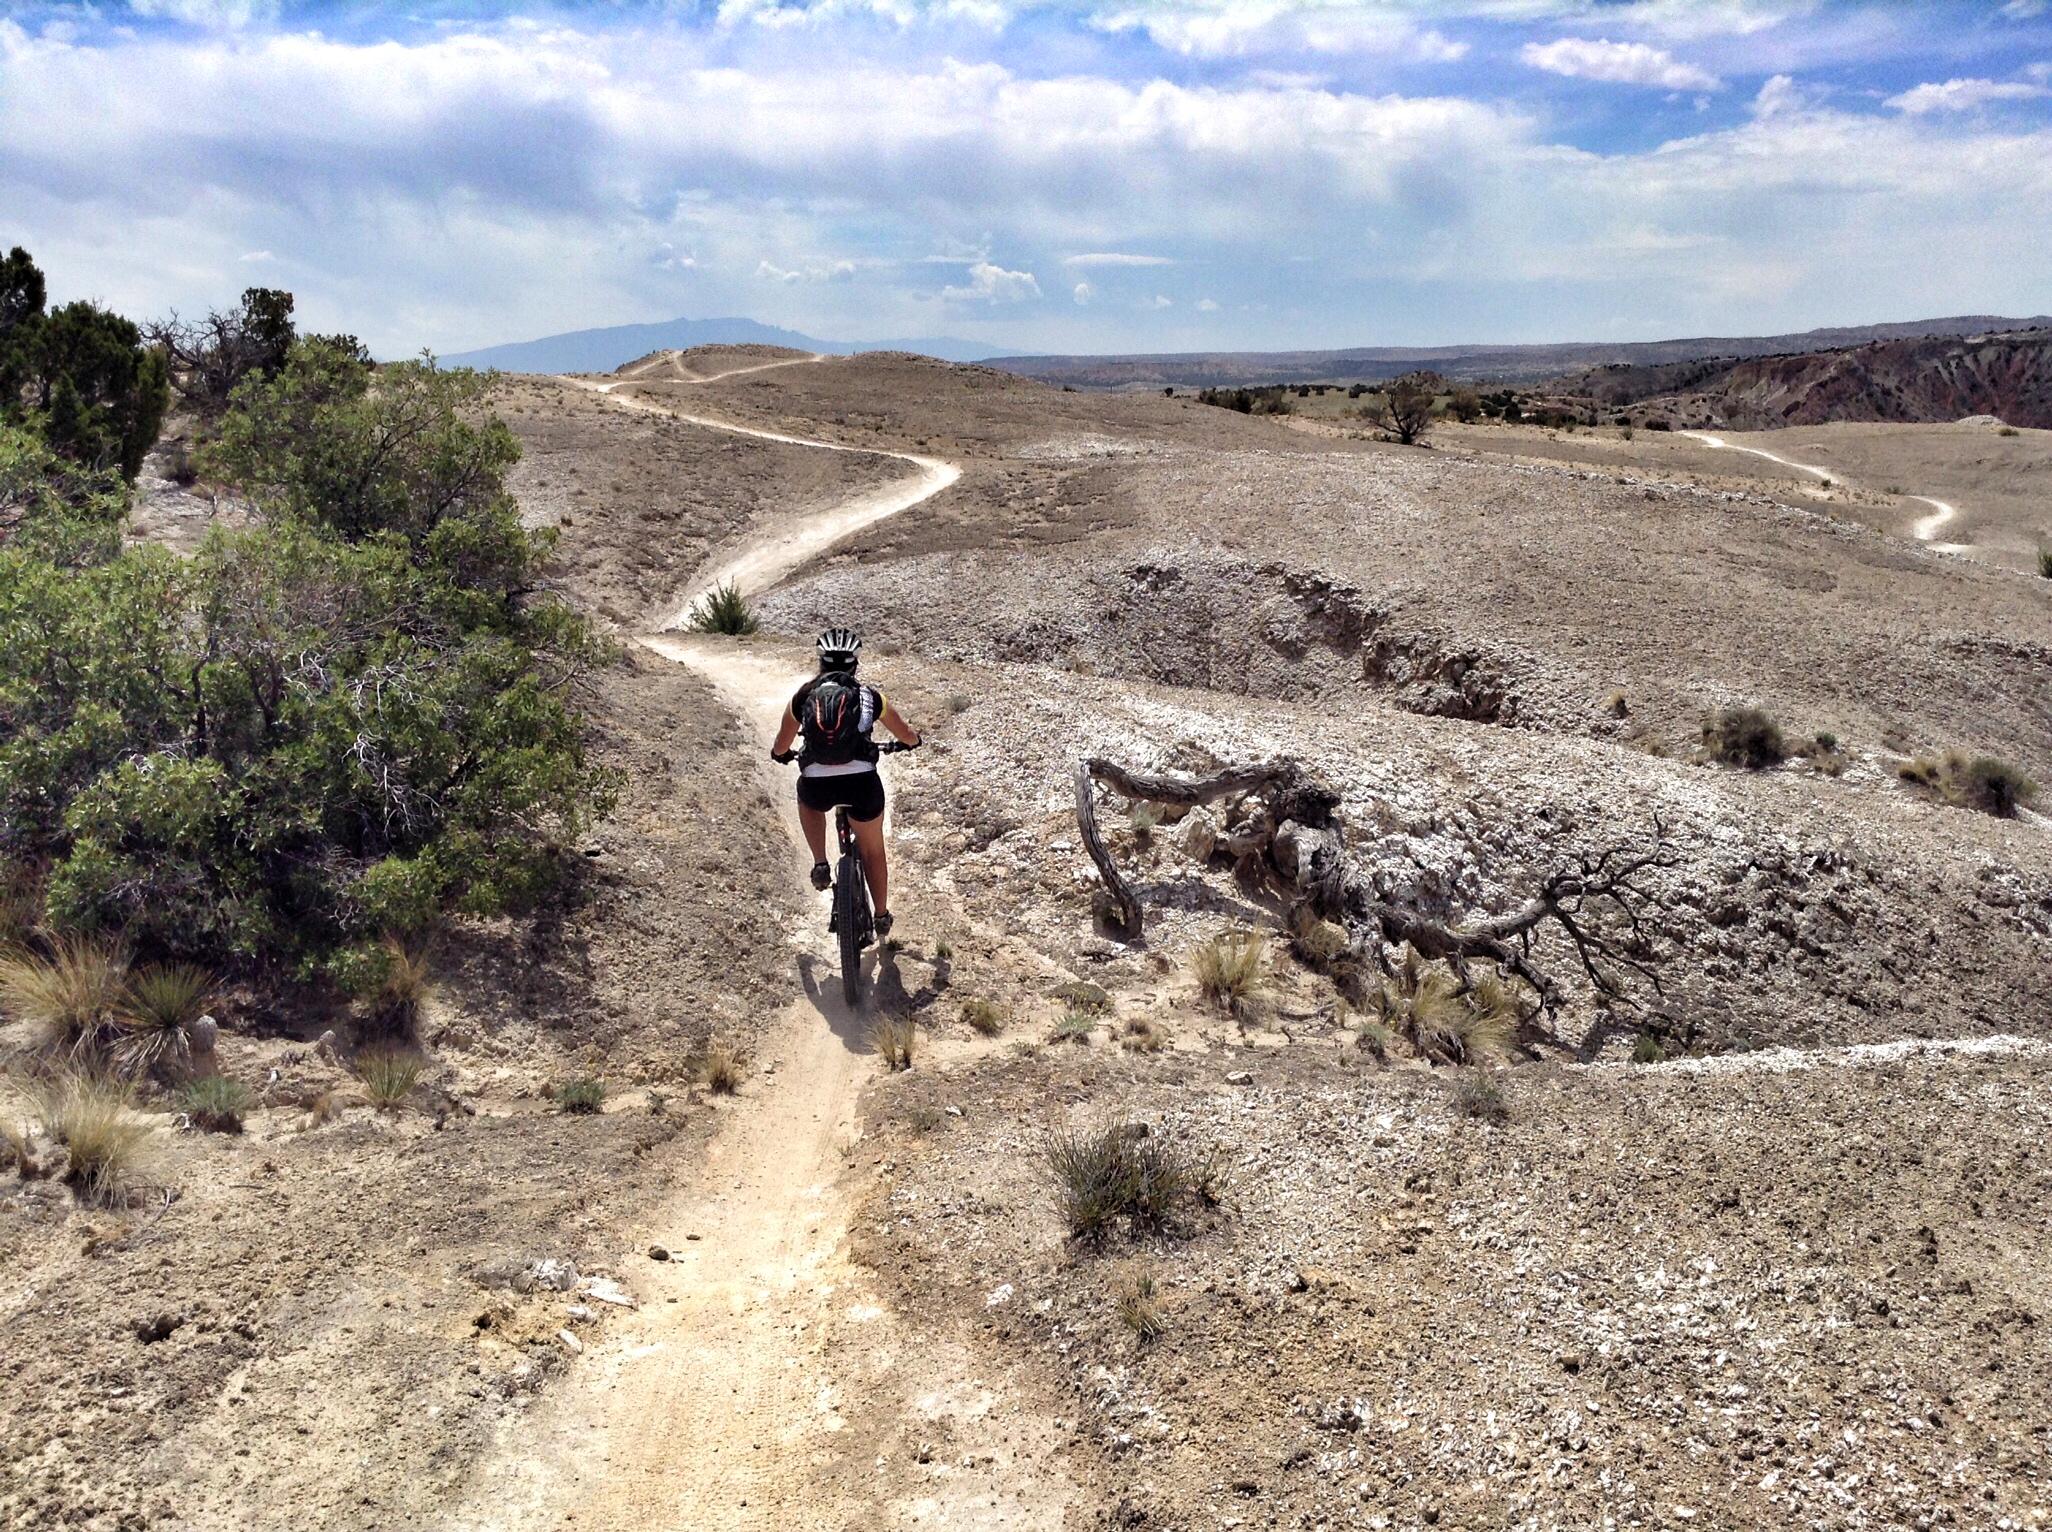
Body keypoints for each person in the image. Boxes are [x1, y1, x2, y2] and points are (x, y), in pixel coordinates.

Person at [770, 628, 920, 937]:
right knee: (873, 850)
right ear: (855, 664)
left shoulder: (803, 697)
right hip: (862, 784)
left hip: (818, 784)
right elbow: (905, 734)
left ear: (820, 663)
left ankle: (821, 862)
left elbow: (782, 746)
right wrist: (912, 741)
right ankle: (880, 915)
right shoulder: (870, 696)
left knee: (806, 797)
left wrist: (781, 755)